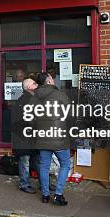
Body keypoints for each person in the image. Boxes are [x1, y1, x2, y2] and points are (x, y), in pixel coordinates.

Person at [34, 72, 71, 205]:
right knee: (66, 164)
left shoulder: (35, 96)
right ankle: (58, 194)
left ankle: (45, 195)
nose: (53, 79)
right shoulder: (59, 94)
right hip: (58, 136)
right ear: (49, 81)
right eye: (51, 78)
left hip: (43, 136)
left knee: (44, 166)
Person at [11, 78, 38, 194]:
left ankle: (44, 183)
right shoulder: (25, 100)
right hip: (24, 138)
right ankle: (24, 184)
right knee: (25, 162)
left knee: (37, 161)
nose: (37, 85)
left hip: (30, 137)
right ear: (28, 87)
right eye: (34, 83)